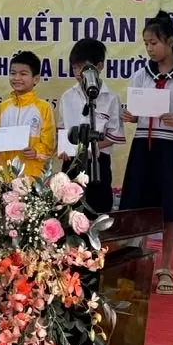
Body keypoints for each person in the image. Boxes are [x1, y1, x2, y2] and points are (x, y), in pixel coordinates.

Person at [119, 11, 173, 295]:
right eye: (146, 44)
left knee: (170, 211)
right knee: (139, 209)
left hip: (170, 146)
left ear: (170, 41)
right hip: (143, 145)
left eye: (154, 42)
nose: (150, 48)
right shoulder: (141, 74)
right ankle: (138, 264)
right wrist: (128, 116)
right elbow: (133, 110)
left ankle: (166, 267)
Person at [57, 38, 124, 215]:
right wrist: (63, 148)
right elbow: (63, 129)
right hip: (72, 162)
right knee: (69, 212)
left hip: (98, 163)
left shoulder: (111, 98)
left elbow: (114, 136)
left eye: (83, 68)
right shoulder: (67, 97)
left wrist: (93, 146)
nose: (78, 73)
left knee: (98, 210)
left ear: (99, 66)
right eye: (75, 68)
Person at [0, 50, 55, 178]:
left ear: (36, 79)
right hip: (5, 178)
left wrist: (36, 152)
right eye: (13, 73)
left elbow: (50, 146)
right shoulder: (2, 108)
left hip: (33, 177)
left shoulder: (44, 108)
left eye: (23, 74)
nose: (17, 78)